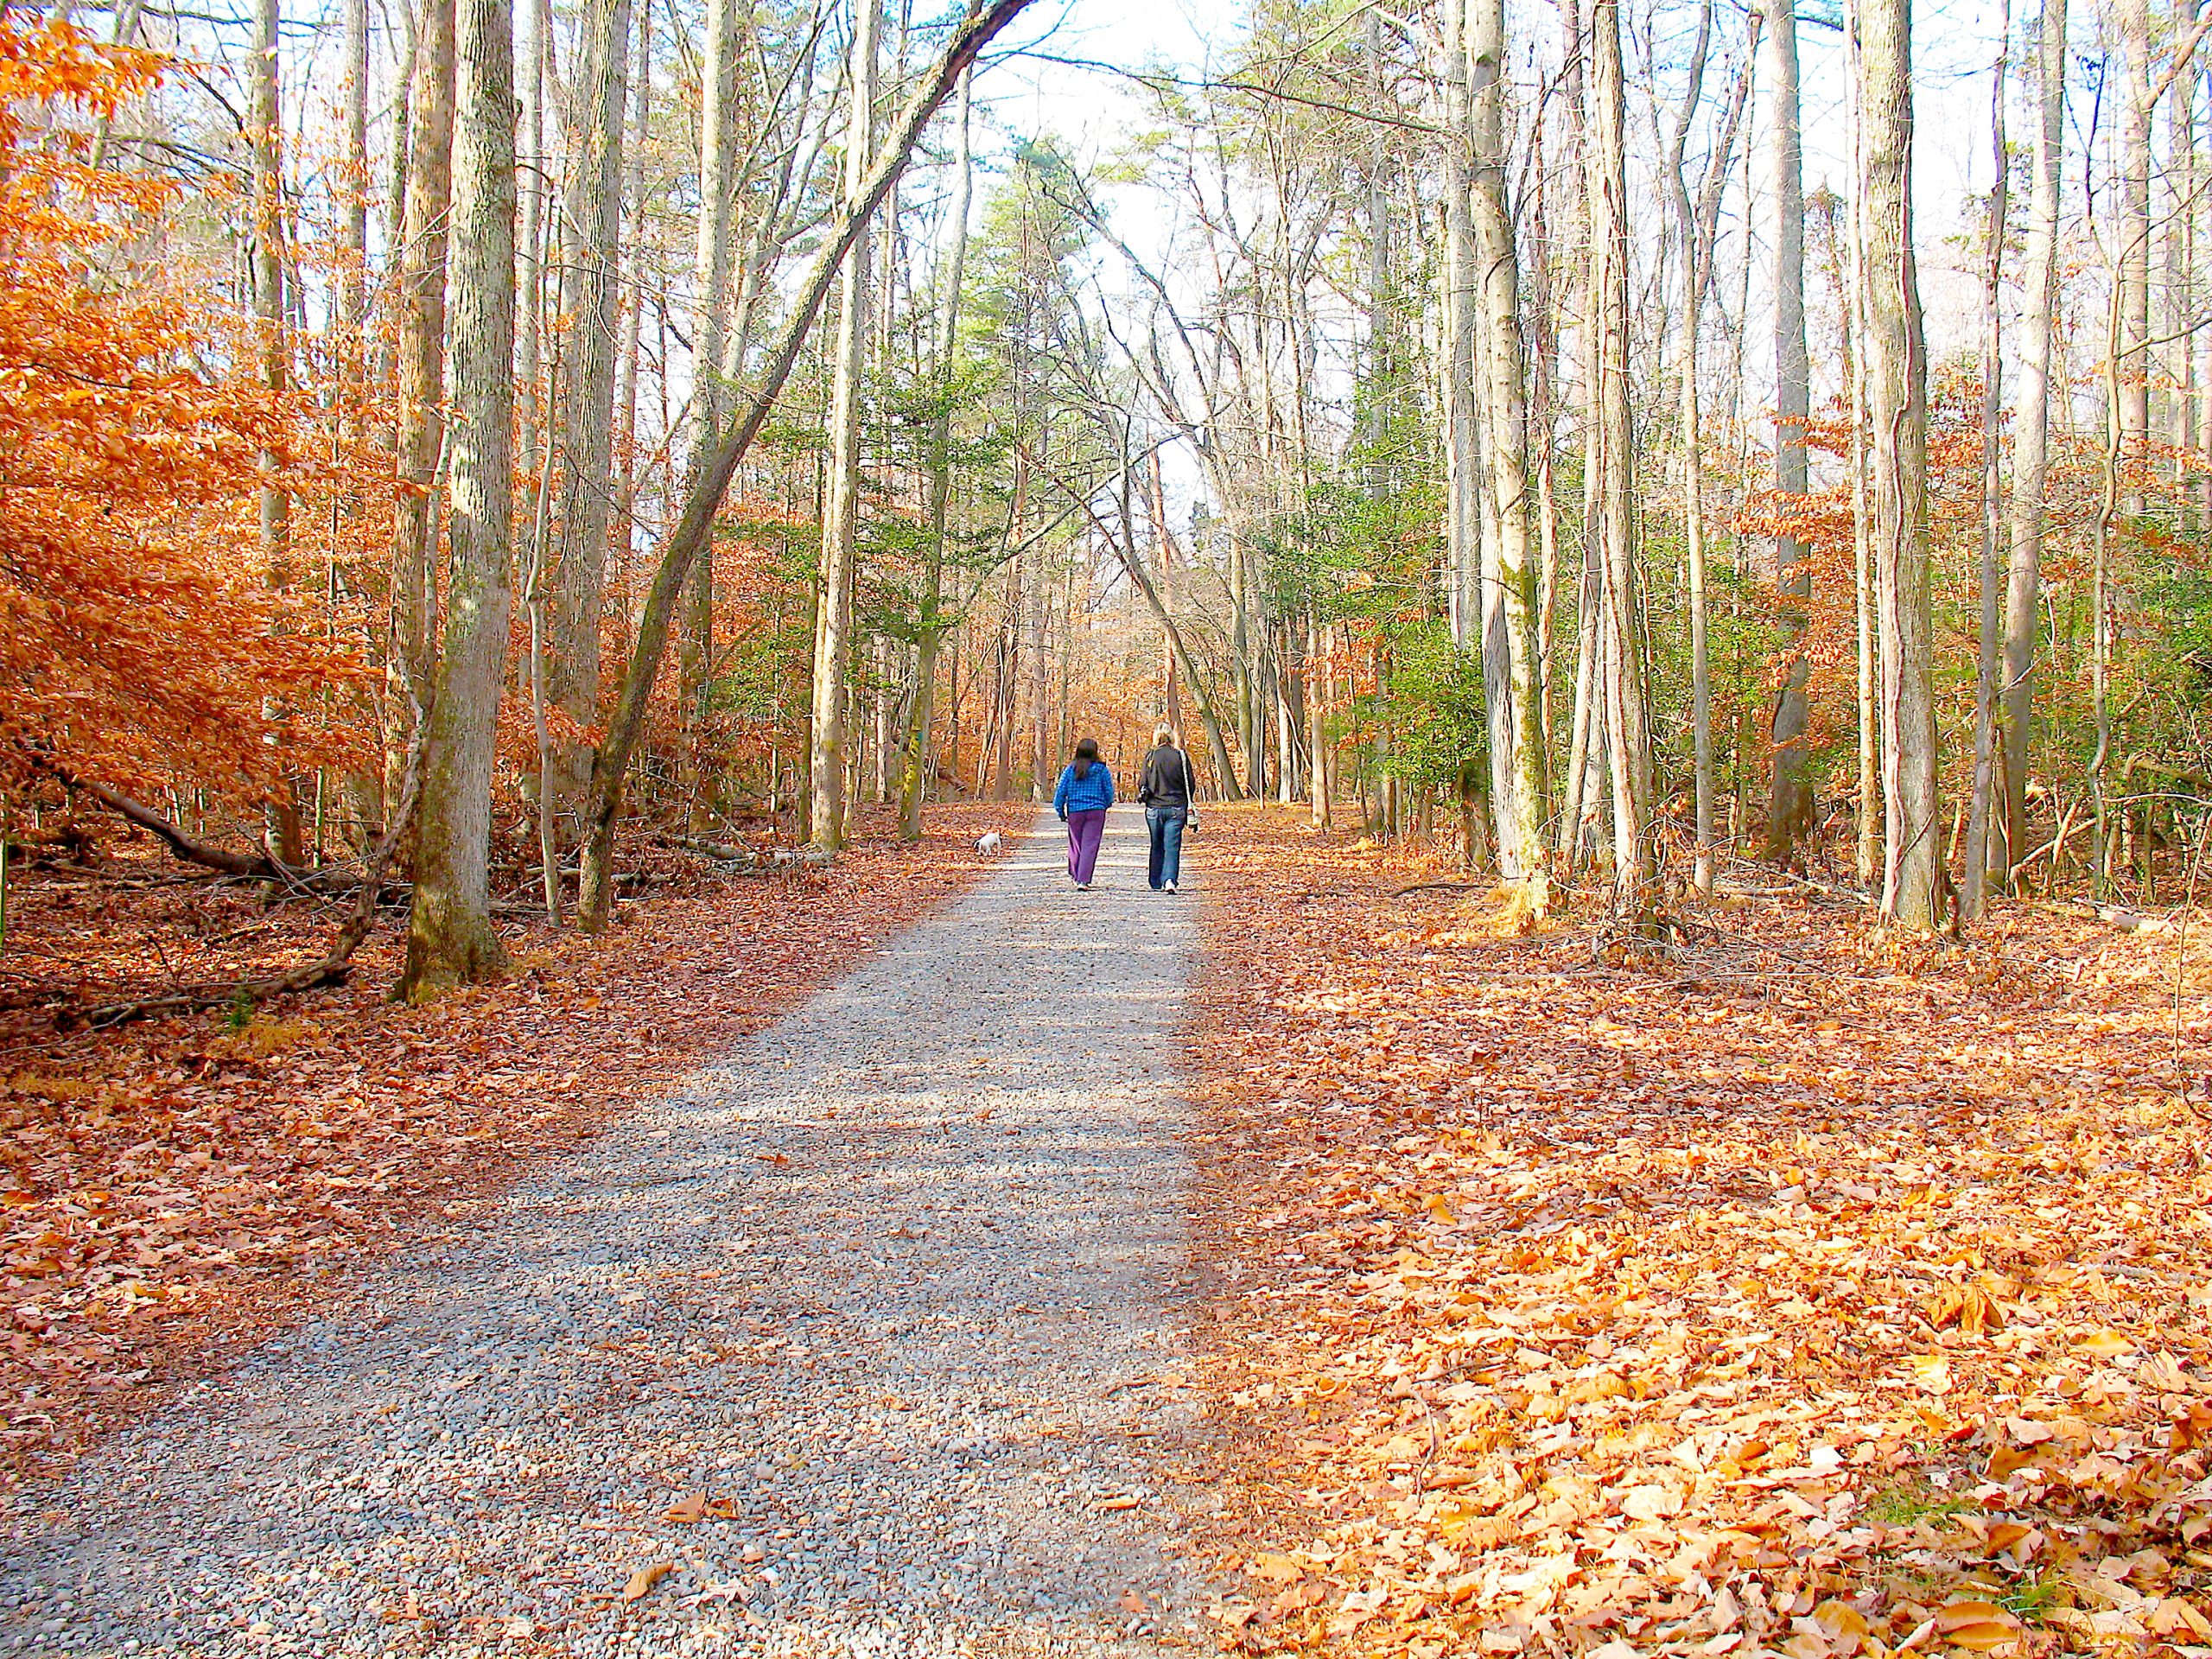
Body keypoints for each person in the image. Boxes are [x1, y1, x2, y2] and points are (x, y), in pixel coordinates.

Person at [1136, 724, 1199, 893]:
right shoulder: (1181, 756)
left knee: (1156, 844)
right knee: (1172, 845)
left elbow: (1142, 783)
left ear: (1155, 737)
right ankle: (1170, 880)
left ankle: (1156, 881)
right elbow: (1190, 784)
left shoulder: (1151, 756)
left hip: (1154, 808)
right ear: (1171, 737)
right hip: (1176, 807)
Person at [1052, 737, 1115, 890]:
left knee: (1075, 845)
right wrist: (1105, 805)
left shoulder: (1070, 769)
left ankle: (1075, 874)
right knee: (1090, 845)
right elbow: (1109, 791)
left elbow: (1060, 792)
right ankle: (1083, 880)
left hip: (1075, 811)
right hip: (1096, 811)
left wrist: (1060, 810)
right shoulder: (1101, 770)